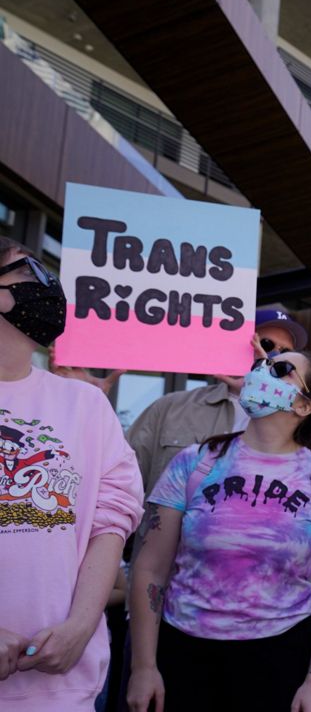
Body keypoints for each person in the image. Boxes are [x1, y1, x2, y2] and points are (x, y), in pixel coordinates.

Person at [126, 350, 311, 711]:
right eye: (260, 365)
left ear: (303, 406)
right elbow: (150, 567)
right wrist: (143, 667)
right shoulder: (193, 461)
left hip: (279, 656)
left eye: (280, 370)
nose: (262, 370)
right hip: (183, 652)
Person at [0, 237, 145, 711]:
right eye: (29, 273)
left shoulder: (85, 405)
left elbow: (112, 518)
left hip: (59, 685)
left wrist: (81, 626)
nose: (47, 287)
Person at [125, 308, 311, 494]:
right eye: (265, 344)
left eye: (285, 355)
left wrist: (304, 407)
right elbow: (121, 483)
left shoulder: (302, 413)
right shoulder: (171, 408)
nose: (269, 356)